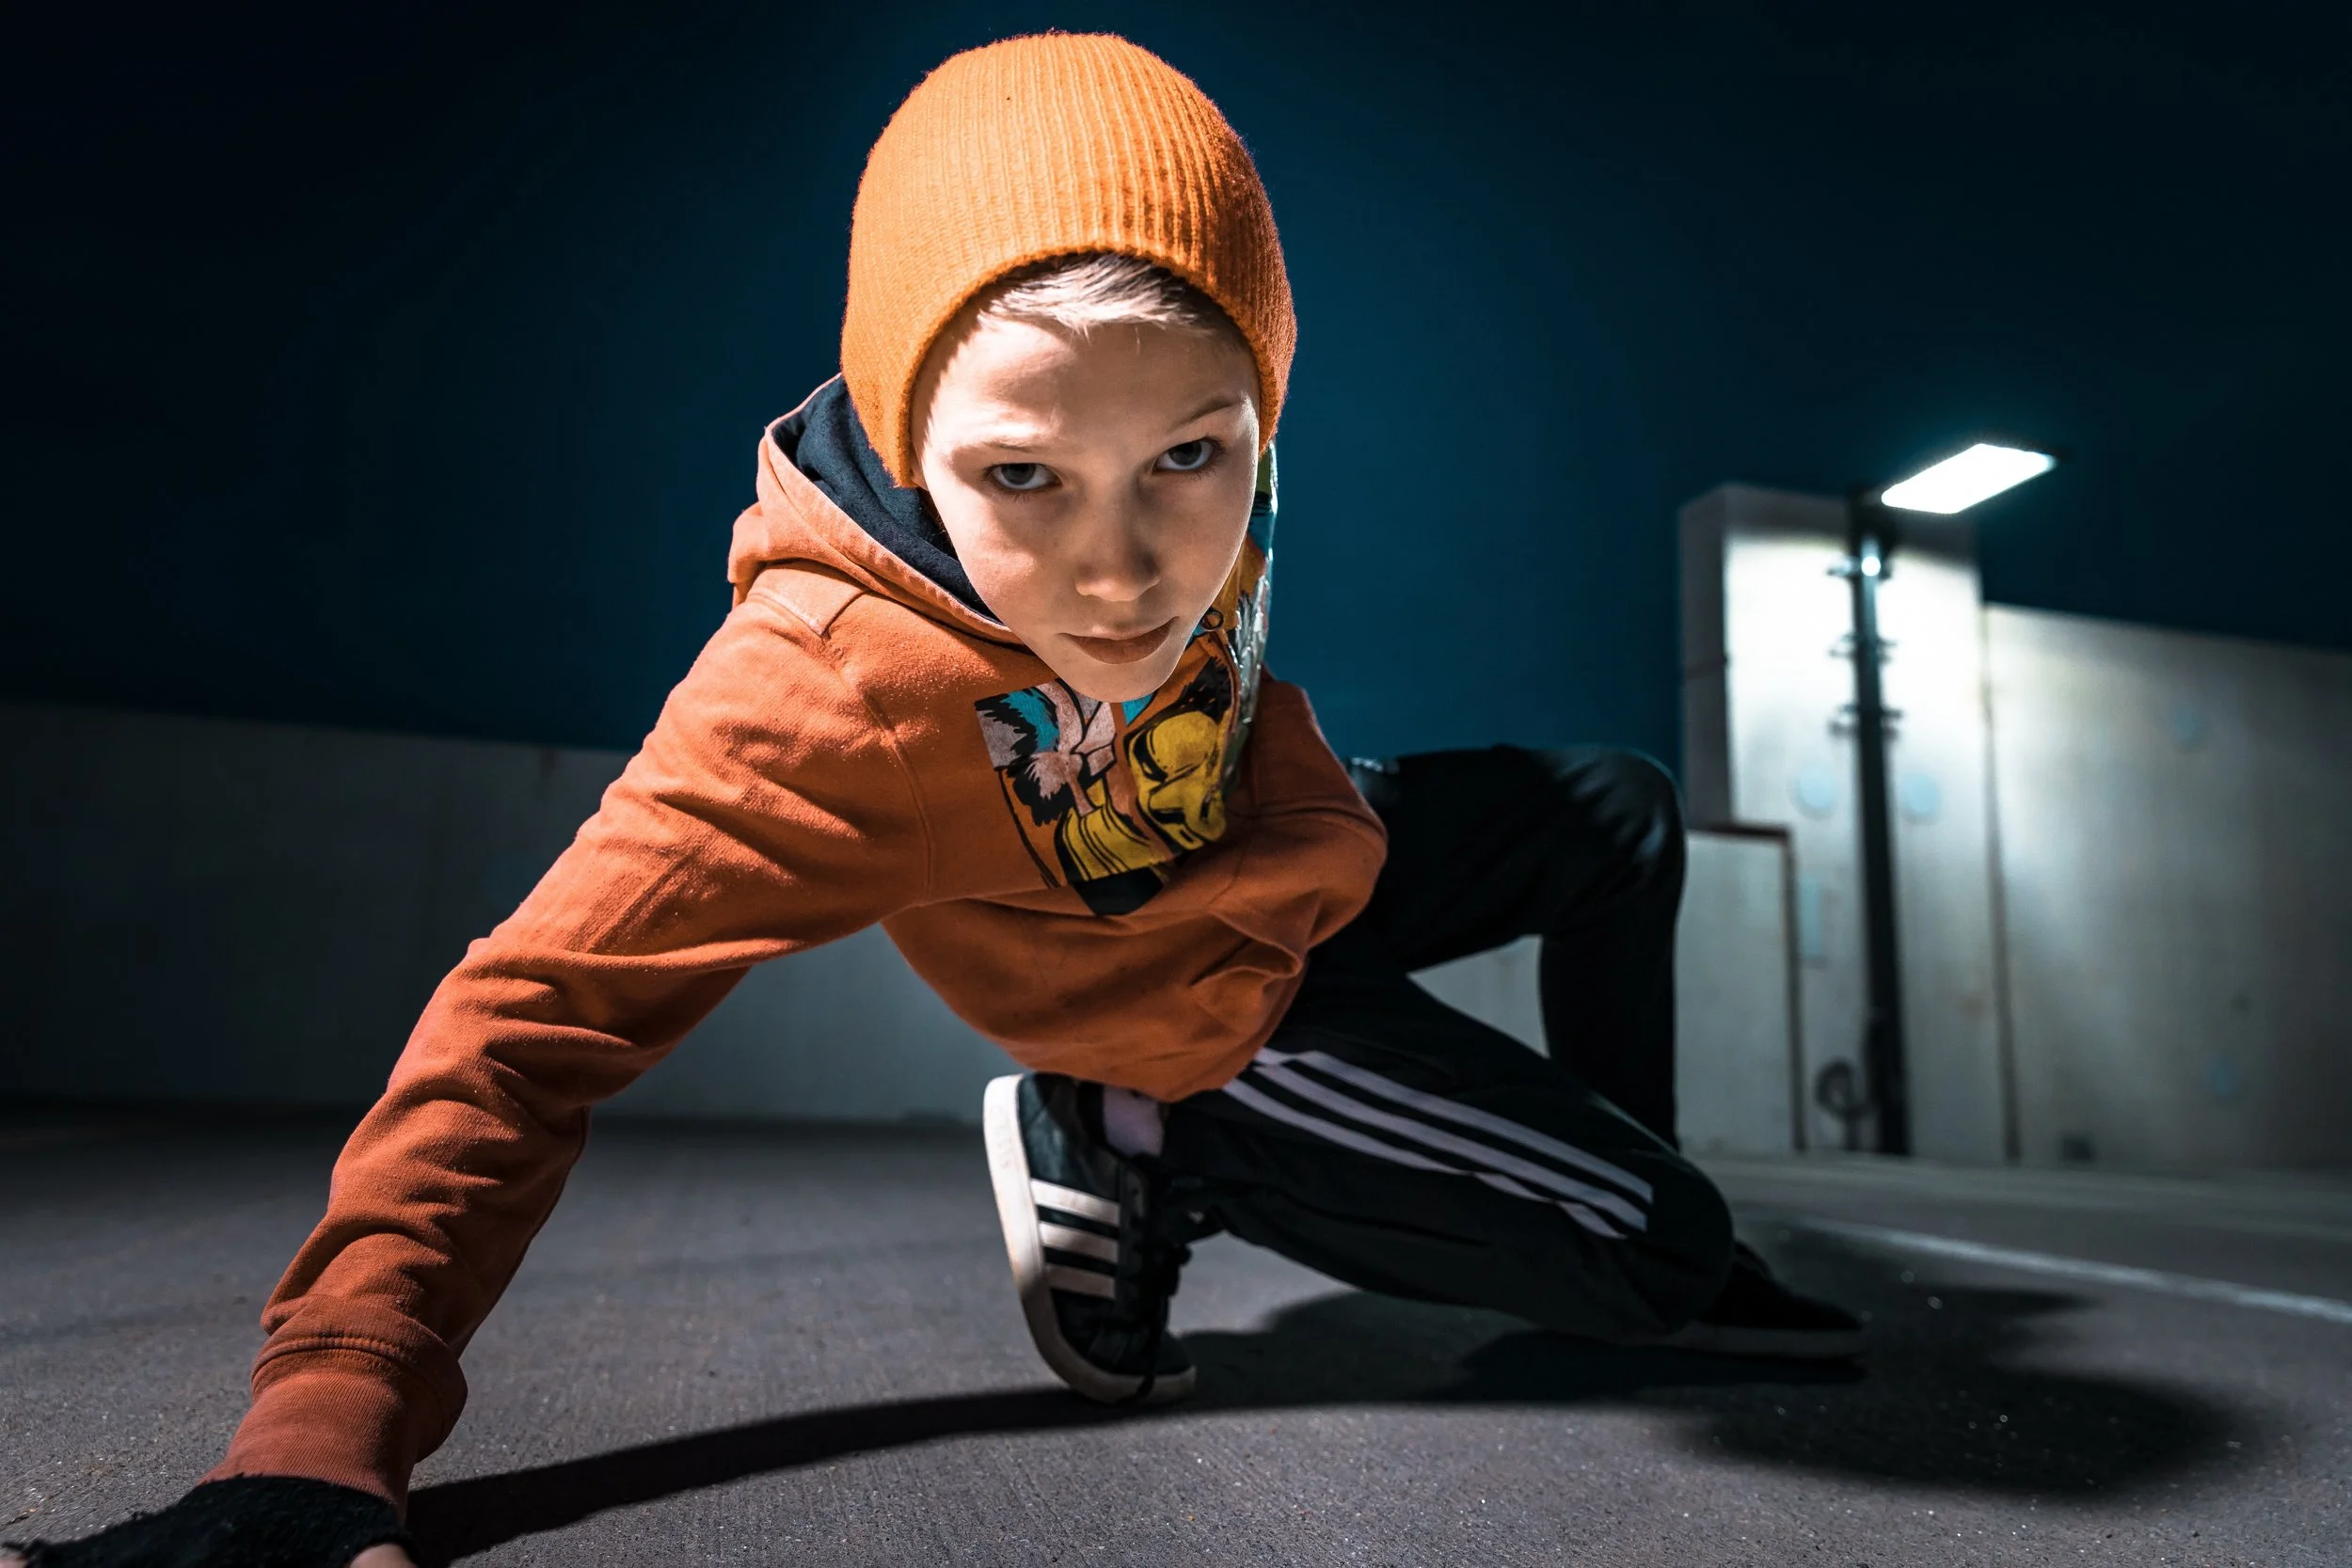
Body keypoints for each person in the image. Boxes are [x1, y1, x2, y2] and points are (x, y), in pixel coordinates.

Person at [4, 32, 1857, 1568]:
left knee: (1611, 803)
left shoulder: (1151, 412)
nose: (1124, 567)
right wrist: (322, 1425)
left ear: (1257, 408)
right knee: (1657, 1256)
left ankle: (1599, 1182)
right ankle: (1155, 1136)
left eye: (1193, 457)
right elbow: (527, 1022)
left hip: (1258, 852)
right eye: (1022, 478)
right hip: (1177, 996)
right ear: (908, 440)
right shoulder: (821, 692)